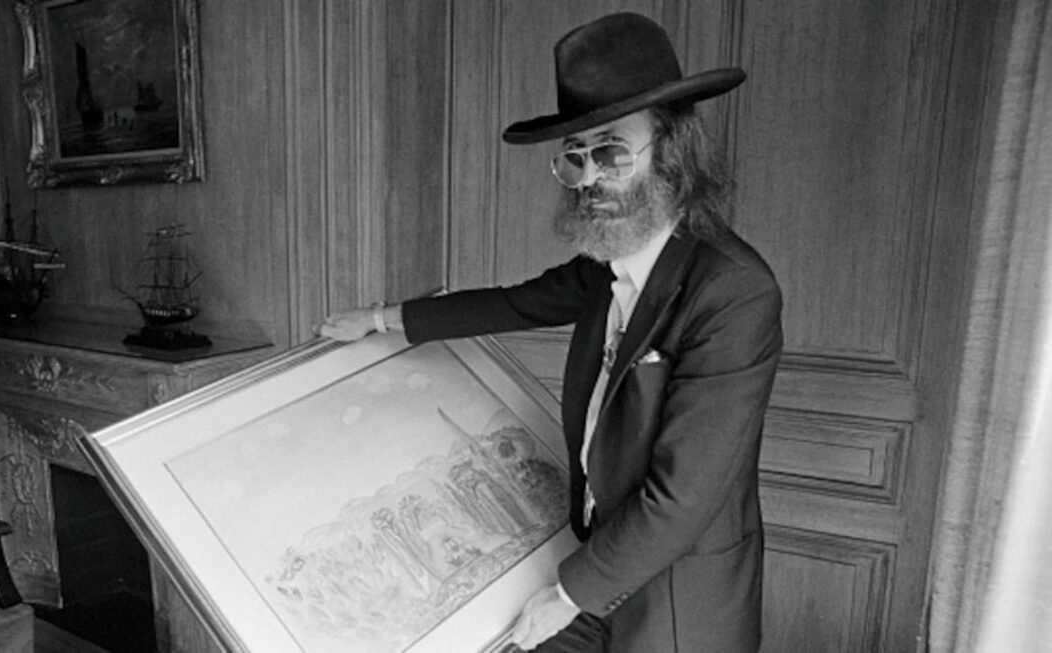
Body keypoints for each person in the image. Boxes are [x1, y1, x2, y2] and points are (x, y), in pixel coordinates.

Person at [320, 12, 782, 653]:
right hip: (592, 564)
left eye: (612, 152)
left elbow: (682, 499)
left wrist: (565, 597)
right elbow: (518, 305)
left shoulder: (733, 291)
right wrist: (380, 319)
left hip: (677, 603)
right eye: (574, 157)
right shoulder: (608, 262)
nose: (589, 179)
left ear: (673, 151)